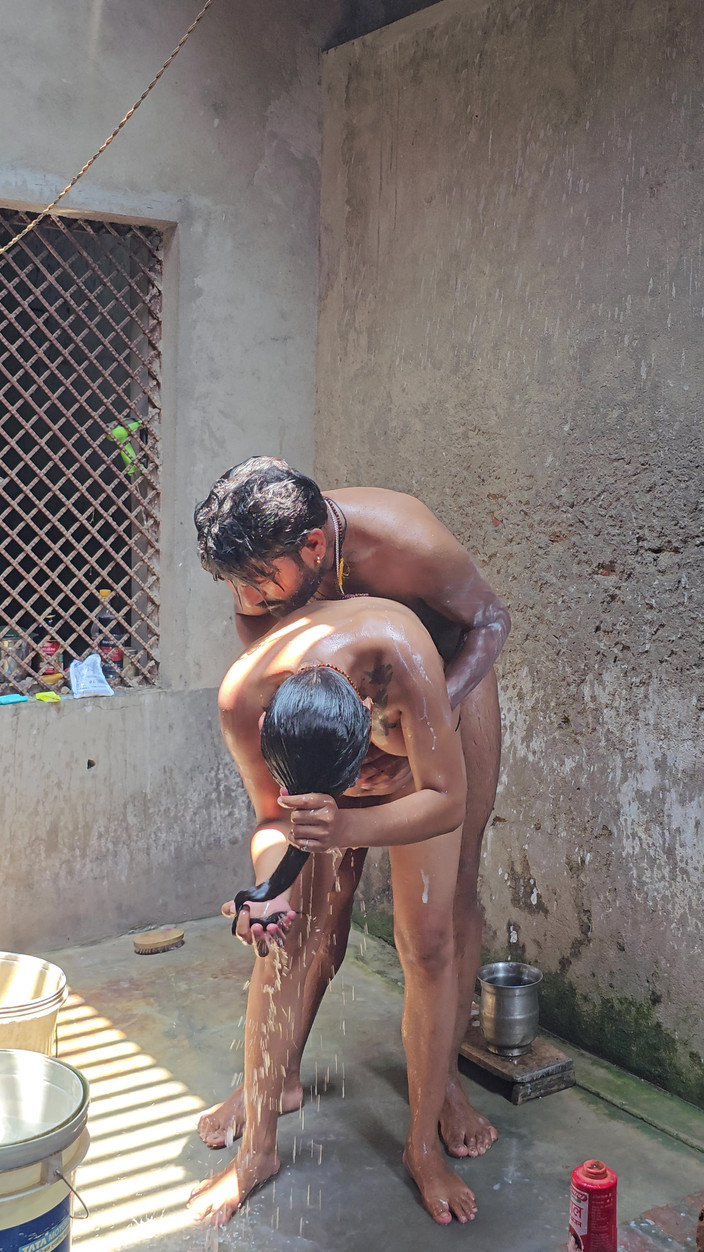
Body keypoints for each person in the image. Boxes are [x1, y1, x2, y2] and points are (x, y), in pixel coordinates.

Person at [194, 457, 510, 1161]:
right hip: (334, 699)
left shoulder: (405, 540)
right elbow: (263, 644)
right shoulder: (262, 576)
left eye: (257, 582)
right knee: (314, 898)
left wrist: (416, 729)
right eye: (236, 586)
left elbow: (490, 621)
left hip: (440, 680)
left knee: (443, 902)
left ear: (314, 545)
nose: (248, 597)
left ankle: (444, 1085)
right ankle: (271, 1079)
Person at [187, 596, 479, 1226]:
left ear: (368, 713)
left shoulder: (403, 660)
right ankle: (258, 1150)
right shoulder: (246, 702)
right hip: (335, 763)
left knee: (428, 942)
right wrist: (270, 893)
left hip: (428, 759)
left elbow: (447, 801)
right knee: (287, 944)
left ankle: (424, 1142)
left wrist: (349, 823)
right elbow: (274, 820)